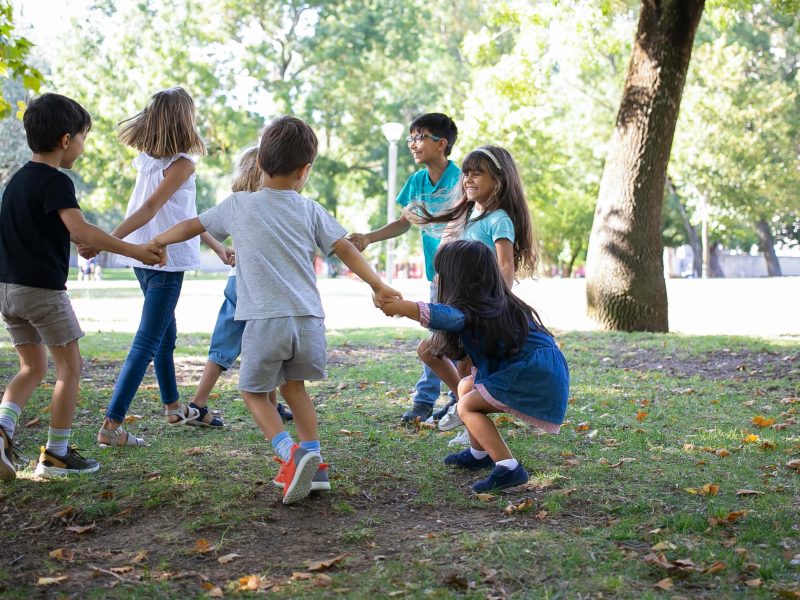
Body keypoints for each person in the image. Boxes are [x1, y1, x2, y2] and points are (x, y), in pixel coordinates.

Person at [151, 115, 401, 504]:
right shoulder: (310, 209)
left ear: (259, 164)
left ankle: (291, 454)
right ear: (305, 171)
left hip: (266, 320)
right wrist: (378, 284)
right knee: (295, 389)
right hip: (309, 321)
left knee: (252, 391)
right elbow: (346, 248)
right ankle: (315, 464)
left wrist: (160, 240)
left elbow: (192, 225)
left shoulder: (239, 205)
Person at [0, 93, 163, 481]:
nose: (82, 148)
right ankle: (56, 454)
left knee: (31, 367)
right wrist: (136, 250)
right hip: (41, 292)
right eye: (83, 138)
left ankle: (3, 431)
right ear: (65, 140)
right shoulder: (56, 182)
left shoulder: (16, 181)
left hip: (7, 291)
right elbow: (80, 230)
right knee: (69, 368)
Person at [93, 87, 231, 449]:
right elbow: (151, 209)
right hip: (161, 258)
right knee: (148, 340)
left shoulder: (148, 160)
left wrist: (215, 245)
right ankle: (111, 425)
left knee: (165, 335)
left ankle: (172, 407)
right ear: (185, 119)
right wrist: (106, 239)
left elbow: (184, 214)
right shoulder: (181, 162)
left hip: (145, 255)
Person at [379, 240, 569, 492]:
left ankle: (509, 468)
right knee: (466, 386)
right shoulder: (492, 303)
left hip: (533, 374)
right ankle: (479, 453)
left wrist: (401, 307)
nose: (436, 278)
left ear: (458, 278)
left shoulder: (472, 310)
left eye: (440, 272)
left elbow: (443, 315)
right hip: (535, 370)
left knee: (467, 405)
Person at [411, 145, 537, 440]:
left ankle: (470, 418)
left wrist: (501, 304)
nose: (468, 179)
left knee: (467, 366)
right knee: (431, 352)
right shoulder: (466, 217)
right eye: (466, 173)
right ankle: (463, 405)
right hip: (459, 306)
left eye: (477, 173)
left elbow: (505, 266)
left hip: (482, 309)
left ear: (499, 181)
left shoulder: (499, 220)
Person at [349, 113, 460, 424]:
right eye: (411, 138)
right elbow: (402, 223)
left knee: (441, 339)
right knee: (440, 337)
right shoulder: (417, 182)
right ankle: (454, 399)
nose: (413, 144)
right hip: (435, 276)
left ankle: (428, 403)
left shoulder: (462, 179)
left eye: (420, 137)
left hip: (462, 276)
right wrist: (368, 238)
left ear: (442, 144)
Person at [187, 146, 293, 428]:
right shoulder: (267, 203)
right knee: (267, 341)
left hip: (236, 282)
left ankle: (199, 403)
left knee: (226, 344)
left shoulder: (236, 202)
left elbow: (201, 224)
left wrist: (223, 248)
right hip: (256, 286)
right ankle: (266, 403)